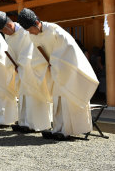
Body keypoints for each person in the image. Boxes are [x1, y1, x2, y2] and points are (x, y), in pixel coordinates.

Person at [18, 8, 99, 139]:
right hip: (54, 71)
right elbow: (37, 55)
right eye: (27, 31)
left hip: (67, 70)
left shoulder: (55, 31)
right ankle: (58, 129)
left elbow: (68, 50)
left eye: (30, 29)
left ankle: (69, 130)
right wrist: (44, 66)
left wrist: (55, 63)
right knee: (57, 100)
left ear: (37, 23)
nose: (30, 33)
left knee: (67, 99)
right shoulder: (33, 35)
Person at [0, 11, 52, 132]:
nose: (4, 33)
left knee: (33, 96)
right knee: (23, 95)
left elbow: (30, 50)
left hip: (31, 68)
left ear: (10, 25)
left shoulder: (25, 31)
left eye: (4, 30)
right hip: (20, 68)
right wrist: (12, 64)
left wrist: (22, 64)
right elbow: (11, 50)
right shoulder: (9, 35)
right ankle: (24, 122)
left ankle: (37, 124)